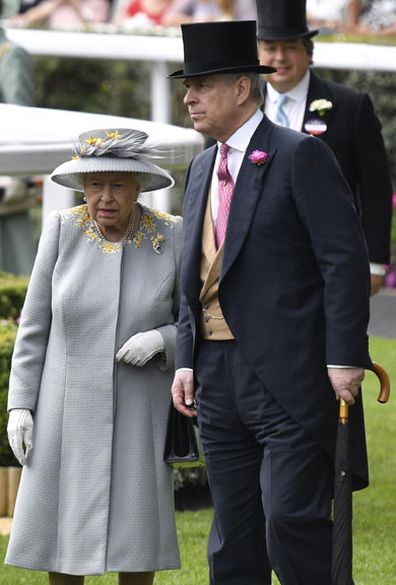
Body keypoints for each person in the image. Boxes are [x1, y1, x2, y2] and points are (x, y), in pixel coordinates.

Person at [169, 19, 372, 585]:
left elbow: (344, 260)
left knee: (290, 519)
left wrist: (344, 356)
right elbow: (195, 273)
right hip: (215, 375)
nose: (188, 97)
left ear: (241, 88)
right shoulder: (202, 166)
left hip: (290, 374)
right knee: (234, 538)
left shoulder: (299, 154)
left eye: (202, 84)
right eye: (187, 85)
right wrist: (185, 358)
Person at [5, 128, 182, 584]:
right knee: (60, 539)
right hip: (64, 409)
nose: (104, 197)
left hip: (140, 408)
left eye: (117, 184)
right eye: (94, 184)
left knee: (136, 538)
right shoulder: (62, 230)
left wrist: (163, 339)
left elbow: (197, 319)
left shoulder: (171, 235)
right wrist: (20, 404)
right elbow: (34, 326)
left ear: (138, 186)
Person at [256, 0, 393, 296]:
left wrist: (374, 262)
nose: (280, 57)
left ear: (308, 52)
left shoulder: (350, 106)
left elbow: (376, 188)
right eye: (270, 47)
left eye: (290, 46)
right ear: (257, 53)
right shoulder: (241, 107)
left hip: (330, 264)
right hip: (258, 264)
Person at [0, 0, 36, 275]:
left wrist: (18, 179)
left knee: (16, 269)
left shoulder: (11, 55)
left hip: (6, 179)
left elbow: (21, 119)